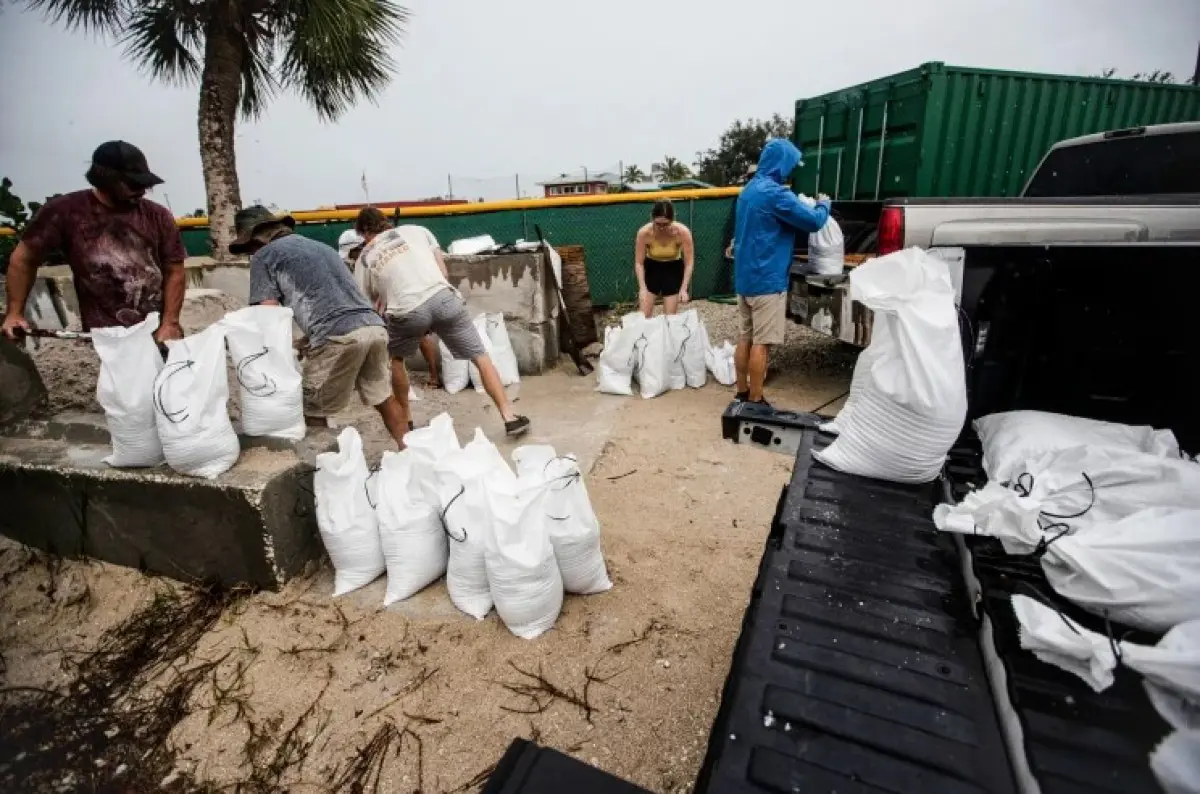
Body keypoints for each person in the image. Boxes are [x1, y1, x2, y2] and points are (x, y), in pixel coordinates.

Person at [230, 206, 410, 446]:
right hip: (373, 327)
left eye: (249, 248)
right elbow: (338, 301)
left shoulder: (265, 256)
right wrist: (306, 340)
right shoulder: (322, 248)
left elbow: (267, 313)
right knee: (383, 397)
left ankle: (324, 473)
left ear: (256, 237)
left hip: (338, 336)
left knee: (314, 409)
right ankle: (410, 453)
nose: (251, 253)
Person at [353, 207, 530, 437]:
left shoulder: (365, 257)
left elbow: (365, 301)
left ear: (365, 231)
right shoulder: (418, 231)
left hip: (406, 311)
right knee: (480, 357)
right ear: (385, 222)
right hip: (444, 299)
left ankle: (407, 421)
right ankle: (509, 417)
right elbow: (443, 271)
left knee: (396, 360)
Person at [2, 141, 186, 344]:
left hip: (157, 334)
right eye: (133, 184)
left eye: (144, 184)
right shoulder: (65, 213)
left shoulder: (157, 216)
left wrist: (170, 323)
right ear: (106, 181)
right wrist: (14, 313)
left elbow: (175, 270)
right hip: (105, 339)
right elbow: (24, 260)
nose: (142, 191)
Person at [733, 138, 831, 406]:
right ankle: (756, 400)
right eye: (790, 165)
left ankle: (741, 392)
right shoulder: (776, 194)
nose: (790, 171)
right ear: (782, 164)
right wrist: (824, 204)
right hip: (768, 280)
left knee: (745, 337)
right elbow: (813, 222)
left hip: (745, 278)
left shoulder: (748, 191)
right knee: (762, 343)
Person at [338, 227, 441, 390]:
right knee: (412, 339)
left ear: (359, 246)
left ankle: (429, 378)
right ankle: (406, 379)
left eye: (352, 253)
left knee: (413, 339)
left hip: (399, 300)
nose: (351, 258)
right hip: (394, 299)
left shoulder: (371, 256)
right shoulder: (366, 258)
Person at [634, 200, 694, 318]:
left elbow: (689, 262)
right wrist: (642, 288)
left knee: (670, 318)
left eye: (665, 224)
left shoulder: (682, 232)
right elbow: (639, 263)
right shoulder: (644, 233)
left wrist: (683, 288)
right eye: (658, 224)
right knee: (643, 316)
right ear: (652, 219)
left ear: (672, 220)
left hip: (673, 268)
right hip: (652, 268)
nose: (661, 227)